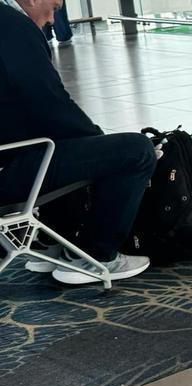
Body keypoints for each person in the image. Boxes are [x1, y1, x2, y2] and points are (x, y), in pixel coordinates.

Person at [0, 0, 154, 284]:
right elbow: (51, 103)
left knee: (60, 143)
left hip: (10, 155)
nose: (51, 19)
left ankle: (52, 242)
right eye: (54, 8)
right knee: (135, 151)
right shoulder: (11, 26)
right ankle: (96, 256)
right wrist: (97, 139)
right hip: (8, 171)